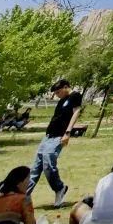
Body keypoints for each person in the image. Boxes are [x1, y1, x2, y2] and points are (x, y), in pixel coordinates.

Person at [27, 78, 83, 206]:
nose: (57, 95)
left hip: (59, 136)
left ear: (65, 87)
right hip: (48, 136)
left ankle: (59, 188)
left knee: (48, 163)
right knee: (36, 167)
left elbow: (76, 113)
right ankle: (23, 196)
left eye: (58, 92)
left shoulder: (75, 96)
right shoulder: (62, 101)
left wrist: (68, 132)